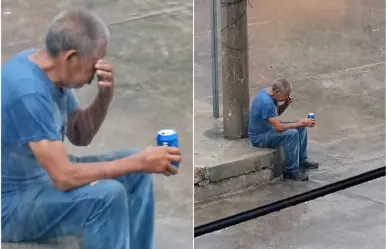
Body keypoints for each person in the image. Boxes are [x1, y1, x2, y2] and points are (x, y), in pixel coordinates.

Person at [1, 8, 181, 249]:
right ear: (71, 58)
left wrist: (104, 95)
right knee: (107, 196)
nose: (96, 73)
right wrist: (140, 160)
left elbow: (80, 134)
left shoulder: (52, 72)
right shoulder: (29, 92)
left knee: (135, 173)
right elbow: (64, 177)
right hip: (12, 207)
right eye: (93, 64)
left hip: (43, 178)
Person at [248, 78, 318, 181]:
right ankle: (291, 171)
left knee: (301, 127)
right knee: (292, 133)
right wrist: (301, 122)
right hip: (260, 137)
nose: (286, 97)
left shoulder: (270, 93)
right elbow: (279, 127)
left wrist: (286, 104)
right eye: (285, 95)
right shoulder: (266, 102)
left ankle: (301, 160)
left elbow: (275, 114)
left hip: (270, 128)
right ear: (277, 92)